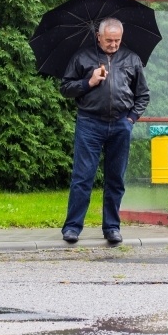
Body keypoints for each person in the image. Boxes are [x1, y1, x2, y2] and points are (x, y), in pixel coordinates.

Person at [59, 17, 150, 244]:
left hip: (120, 123)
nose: (113, 44)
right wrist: (88, 82)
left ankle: (112, 228)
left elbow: (143, 95)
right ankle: (72, 227)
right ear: (98, 37)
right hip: (89, 122)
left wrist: (131, 119)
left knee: (116, 178)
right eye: (109, 40)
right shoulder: (82, 57)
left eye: (117, 40)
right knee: (82, 177)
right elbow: (65, 88)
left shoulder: (132, 59)